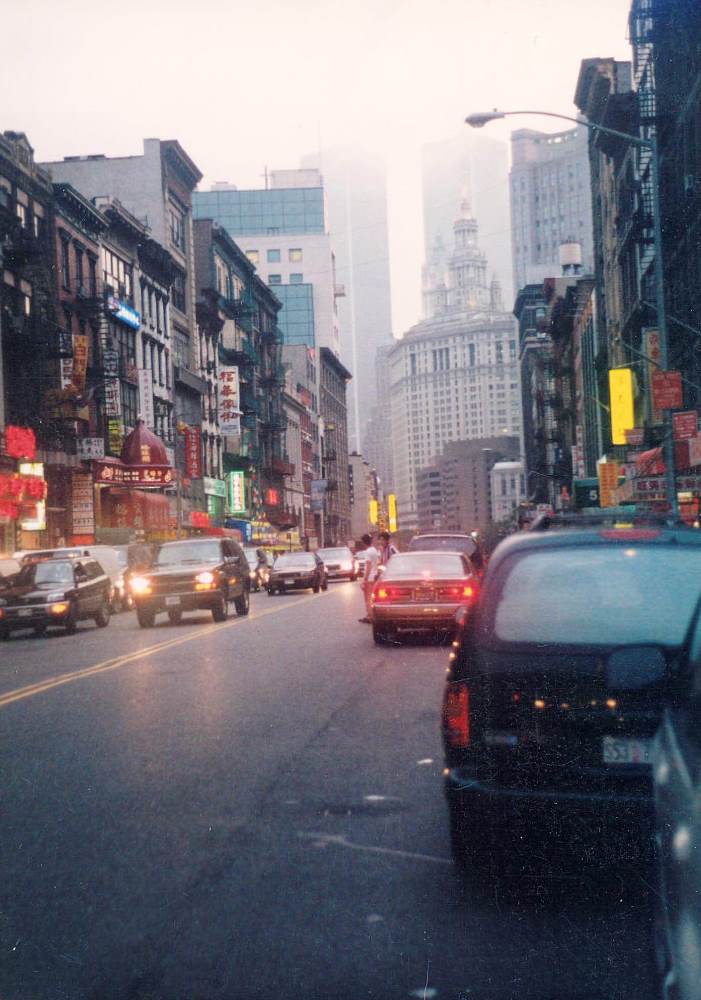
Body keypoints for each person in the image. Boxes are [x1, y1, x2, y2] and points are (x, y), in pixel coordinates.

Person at [358, 532, 379, 624]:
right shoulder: (374, 550)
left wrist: (365, 579)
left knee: (368, 598)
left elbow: (368, 565)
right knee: (373, 597)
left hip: (370, 578)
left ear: (363, 542)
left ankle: (370, 616)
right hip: (374, 577)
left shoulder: (368, 552)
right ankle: (372, 615)